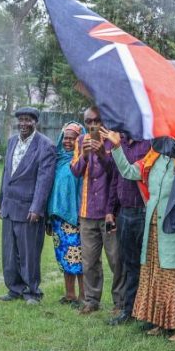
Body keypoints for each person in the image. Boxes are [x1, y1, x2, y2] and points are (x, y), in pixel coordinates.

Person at [108, 131, 175, 340]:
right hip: (153, 227)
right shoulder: (153, 158)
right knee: (156, 274)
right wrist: (116, 148)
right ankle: (161, 322)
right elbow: (130, 172)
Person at [0, 107, 56, 304]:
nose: (23, 124)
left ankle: (32, 292)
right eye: (21, 120)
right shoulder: (12, 141)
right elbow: (7, 173)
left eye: (28, 120)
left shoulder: (45, 145)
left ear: (35, 122)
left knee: (29, 253)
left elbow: (44, 179)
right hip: (9, 206)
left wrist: (37, 208)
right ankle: (14, 289)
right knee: (10, 252)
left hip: (29, 209)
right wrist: (0, 200)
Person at [70, 107, 124, 316]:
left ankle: (120, 302)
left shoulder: (113, 139)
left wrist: (102, 154)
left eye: (96, 121)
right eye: (88, 121)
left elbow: (116, 171)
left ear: (104, 121)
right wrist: (84, 155)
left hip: (110, 211)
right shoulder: (80, 140)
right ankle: (91, 300)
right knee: (89, 260)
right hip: (86, 211)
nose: (92, 125)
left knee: (116, 259)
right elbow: (75, 171)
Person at [111, 129, 152, 326]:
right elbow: (116, 176)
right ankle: (130, 310)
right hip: (124, 212)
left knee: (146, 264)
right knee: (129, 264)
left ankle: (147, 313)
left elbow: (134, 172)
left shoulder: (151, 142)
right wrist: (111, 209)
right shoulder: (121, 141)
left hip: (144, 211)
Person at [48, 122, 85, 306]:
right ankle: (69, 294)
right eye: (66, 138)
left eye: (73, 138)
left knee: (78, 257)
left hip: (75, 217)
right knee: (64, 256)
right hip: (58, 218)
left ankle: (83, 296)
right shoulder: (58, 159)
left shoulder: (81, 160)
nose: (68, 141)